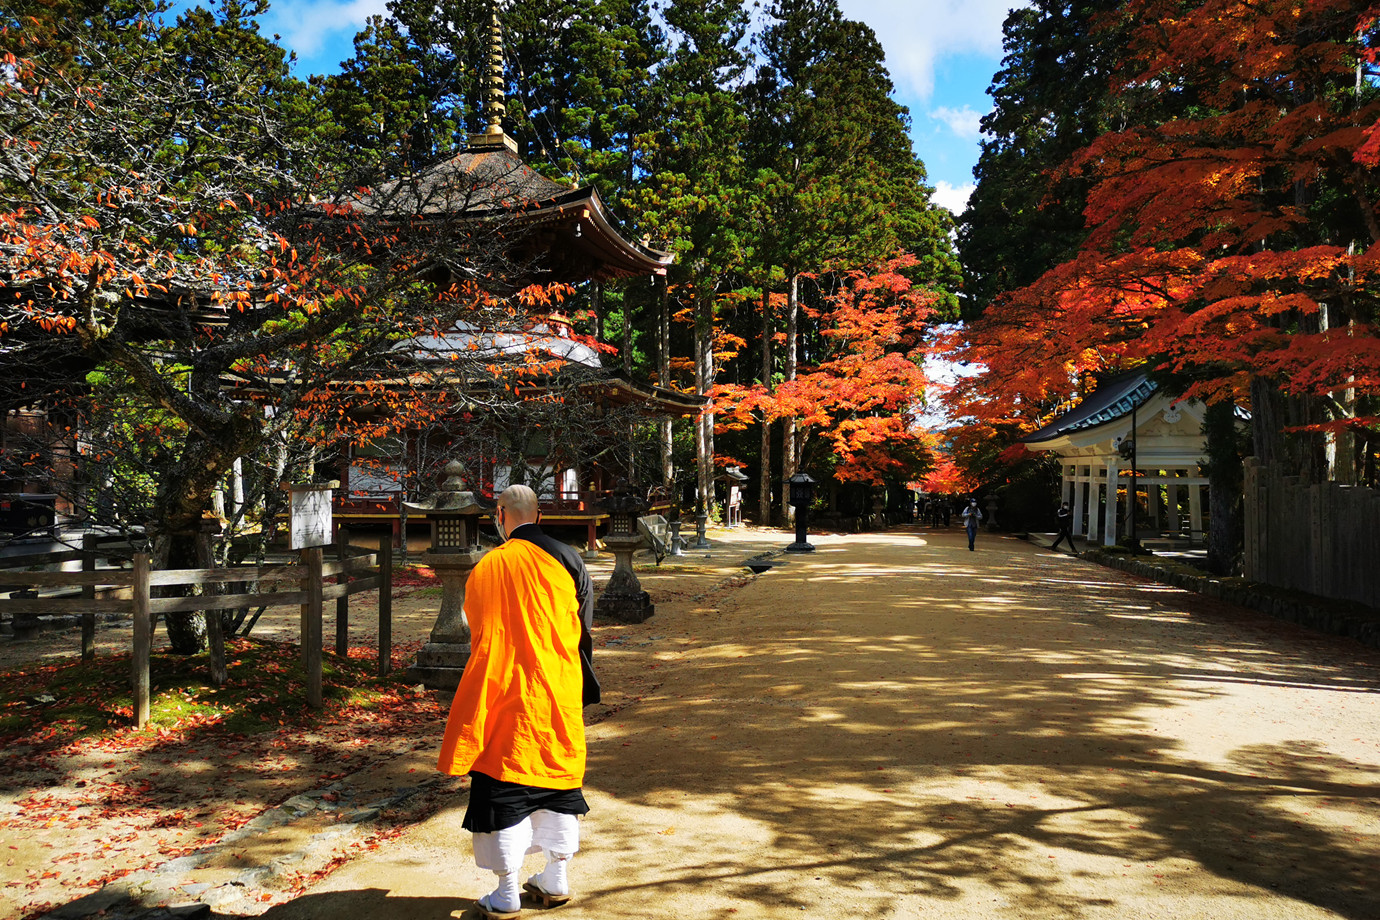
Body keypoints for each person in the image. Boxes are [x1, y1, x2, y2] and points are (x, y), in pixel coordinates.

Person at [436, 484, 593, 919]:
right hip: (556, 690)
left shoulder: (489, 565)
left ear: (501, 515)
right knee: (558, 784)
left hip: (502, 691)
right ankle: (555, 878)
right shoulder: (569, 559)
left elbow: (480, 631)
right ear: (538, 515)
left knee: (503, 787)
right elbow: (583, 630)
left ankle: (506, 893)